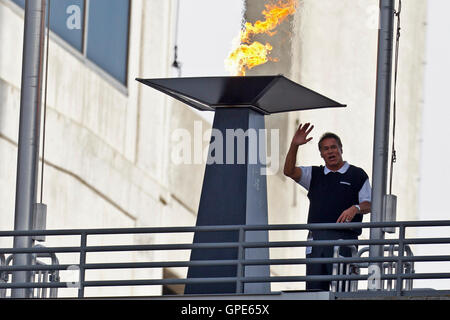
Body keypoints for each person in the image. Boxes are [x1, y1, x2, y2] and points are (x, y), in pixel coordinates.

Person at [283, 123, 371, 291]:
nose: (330, 151)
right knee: (315, 293)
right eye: (325, 149)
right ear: (321, 154)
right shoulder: (314, 174)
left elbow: (369, 204)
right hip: (316, 241)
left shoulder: (357, 174)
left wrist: (356, 208)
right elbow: (288, 171)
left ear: (341, 149)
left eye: (333, 147)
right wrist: (294, 145)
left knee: (343, 292)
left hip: (344, 240)